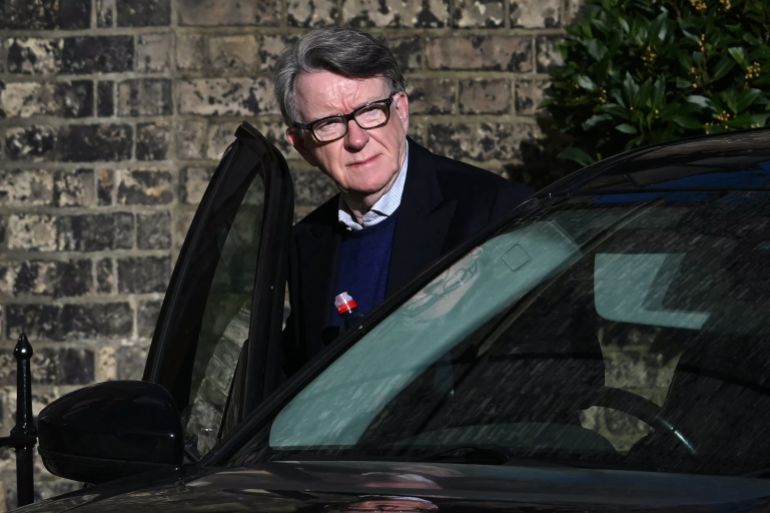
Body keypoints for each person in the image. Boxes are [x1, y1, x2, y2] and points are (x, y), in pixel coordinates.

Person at [274, 27, 531, 375]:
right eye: (329, 123)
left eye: (370, 110)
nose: (356, 139)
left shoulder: (495, 212)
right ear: (302, 145)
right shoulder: (306, 243)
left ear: (401, 110)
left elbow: (563, 370)